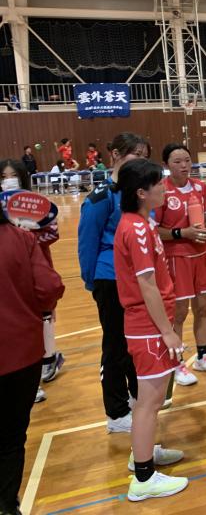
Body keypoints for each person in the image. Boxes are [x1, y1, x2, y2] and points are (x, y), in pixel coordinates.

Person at [113, 158, 187, 502]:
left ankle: (142, 453)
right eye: (158, 183)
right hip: (147, 326)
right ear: (141, 193)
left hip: (148, 323)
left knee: (150, 401)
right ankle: (143, 478)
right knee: (149, 402)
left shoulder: (140, 223)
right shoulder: (137, 229)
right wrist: (167, 331)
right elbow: (147, 284)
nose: (164, 188)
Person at [78, 132, 149, 433]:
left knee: (134, 344)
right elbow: (87, 243)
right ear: (117, 155)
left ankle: (135, 398)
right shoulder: (101, 197)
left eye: (145, 156)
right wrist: (93, 282)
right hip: (110, 279)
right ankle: (116, 413)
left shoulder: (139, 195)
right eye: (136, 154)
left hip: (138, 280)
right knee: (115, 346)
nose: (141, 161)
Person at [0, 185, 64, 515]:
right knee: (11, 438)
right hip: (20, 355)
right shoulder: (22, 239)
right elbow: (49, 287)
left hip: (18, 354)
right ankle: (7, 506)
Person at [155, 144, 206, 387]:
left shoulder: (200, 187)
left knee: (203, 309)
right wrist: (181, 233)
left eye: (187, 160)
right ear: (166, 164)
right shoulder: (161, 190)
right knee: (179, 314)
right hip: (177, 259)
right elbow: (155, 229)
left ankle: (203, 357)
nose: (184, 165)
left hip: (202, 255)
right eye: (177, 161)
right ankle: (177, 364)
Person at [2, 159, 65, 402]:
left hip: (35, 265)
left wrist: (28, 236)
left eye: (13, 175)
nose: (8, 180)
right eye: (4, 176)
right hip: (11, 270)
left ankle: (44, 365)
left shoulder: (36, 203)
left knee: (43, 319)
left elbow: (53, 233)